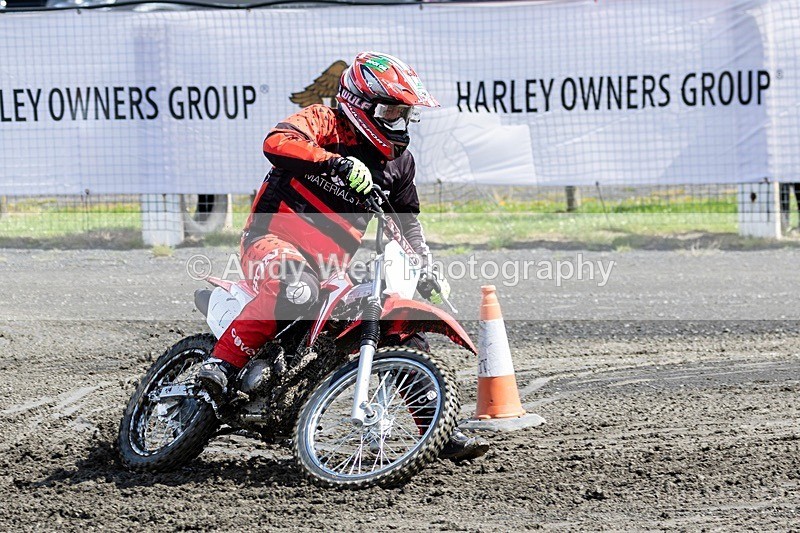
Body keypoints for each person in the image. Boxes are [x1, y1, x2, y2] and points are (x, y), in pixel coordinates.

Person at [198, 52, 489, 461]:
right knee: (293, 284)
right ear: (361, 104)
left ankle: (436, 427)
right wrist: (334, 162)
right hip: (269, 242)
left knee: (396, 319)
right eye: (390, 110)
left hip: (330, 267)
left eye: (404, 113)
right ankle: (220, 366)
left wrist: (424, 268)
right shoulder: (322, 122)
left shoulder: (399, 164)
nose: (399, 122)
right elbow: (275, 142)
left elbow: (406, 224)